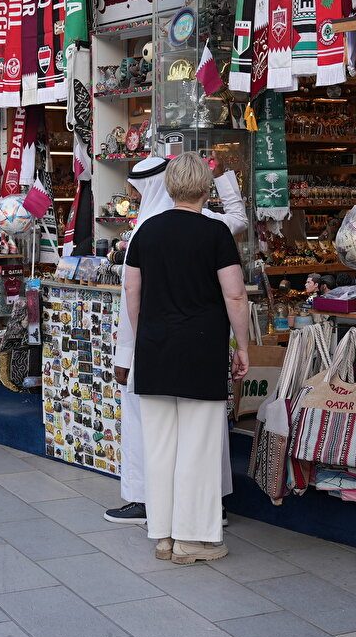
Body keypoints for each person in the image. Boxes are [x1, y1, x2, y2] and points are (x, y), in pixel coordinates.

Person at [105, 156, 249, 525]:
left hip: (154, 348)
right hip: (204, 348)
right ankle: (202, 515)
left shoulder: (145, 232)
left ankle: (159, 517)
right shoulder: (213, 227)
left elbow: (130, 299)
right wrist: (241, 346)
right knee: (202, 437)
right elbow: (235, 294)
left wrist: (134, 347)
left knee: (157, 439)